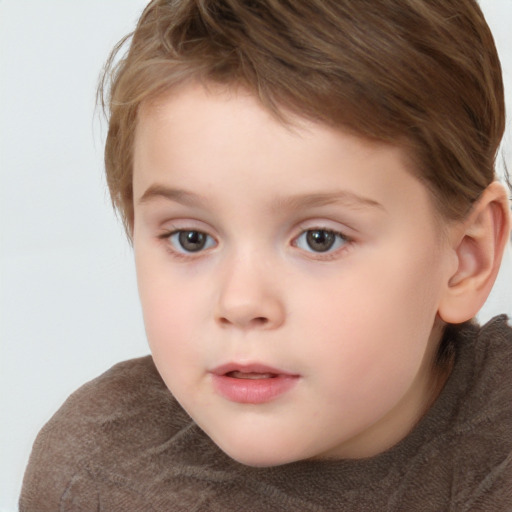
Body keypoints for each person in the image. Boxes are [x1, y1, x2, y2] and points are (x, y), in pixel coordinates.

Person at [19, 0, 512, 510]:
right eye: (192, 238)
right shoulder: (97, 475)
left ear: (465, 258)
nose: (240, 301)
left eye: (320, 238)